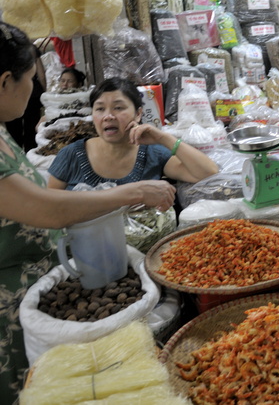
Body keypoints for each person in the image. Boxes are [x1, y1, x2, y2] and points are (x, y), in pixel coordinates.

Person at [0, 21, 176, 399]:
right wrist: (130, 193)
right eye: (32, 78)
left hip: (31, 288)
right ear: (4, 82)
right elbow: (44, 209)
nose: (36, 89)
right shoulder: (73, 155)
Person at [48, 77, 218, 190]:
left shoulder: (153, 153)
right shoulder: (71, 155)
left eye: (118, 108)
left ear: (138, 113)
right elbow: (51, 206)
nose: (108, 116)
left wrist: (163, 137)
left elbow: (208, 173)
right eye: (100, 109)